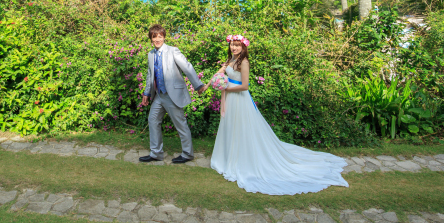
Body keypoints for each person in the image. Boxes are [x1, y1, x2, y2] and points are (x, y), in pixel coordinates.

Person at [210, 34, 349, 195]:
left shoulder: (244, 62)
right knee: (230, 126)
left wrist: (227, 88)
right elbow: (218, 75)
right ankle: (227, 157)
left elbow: (245, 86)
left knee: (242, 128)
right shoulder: (230, 60)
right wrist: (209, 85)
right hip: (230, 99)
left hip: (240, 98)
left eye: (237, 45)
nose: (234, 47)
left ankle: (242, 159)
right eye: (232, 45)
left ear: (243, 47)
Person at [139, 24, 208, 164]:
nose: (157, 39)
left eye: (160, 36)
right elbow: (150, 74)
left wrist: (198, 85)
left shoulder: (173, 51)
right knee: (153, 120)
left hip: (172, 95)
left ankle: (187, 154)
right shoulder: (151, 54)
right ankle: (156, 153)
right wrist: (146, 93)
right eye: (154, 37)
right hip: (159, 95)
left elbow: (187, 67)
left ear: (164, 37)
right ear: (151, 39)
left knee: (180, 124)